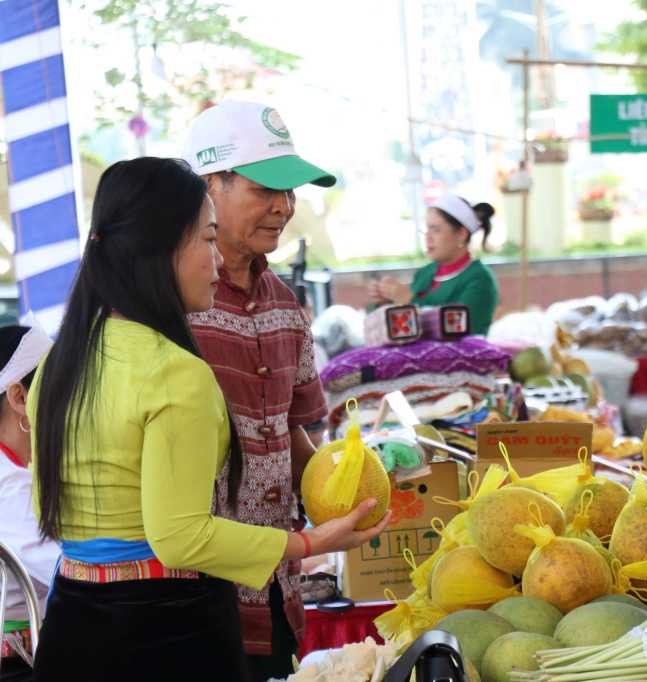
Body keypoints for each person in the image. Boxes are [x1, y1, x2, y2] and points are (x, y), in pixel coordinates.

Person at [28, 158, 389, 682]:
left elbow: (48, 503)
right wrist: (314, 543)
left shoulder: (62, 360)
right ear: (161, 249)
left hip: (72, 621)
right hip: (165, 631)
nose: (217, 260)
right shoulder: (176, 371)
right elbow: (181, 538)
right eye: (207, 240)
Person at [181, 100, 338, 681]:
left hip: (278, 591)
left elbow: (289, 431)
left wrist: (347, 490)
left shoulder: (285, 304)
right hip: (194, 597)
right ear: (209, 185)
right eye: (266, 187)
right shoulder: (169, 304)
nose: (284, 205)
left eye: (290, 190)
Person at [0, 322, 59, 682]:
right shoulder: (8, 486)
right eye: (58, 387)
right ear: (20, 397)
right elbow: (71, 573)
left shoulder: (18, 472)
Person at [369, 193, 500, 335]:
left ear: (461, 234)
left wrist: (409, 300)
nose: (428, 238)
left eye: (436, 230)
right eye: (427, 230)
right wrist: (386, 303)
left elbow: (460, 330)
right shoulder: (425, 273)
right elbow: (403, 330)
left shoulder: (480, 278)